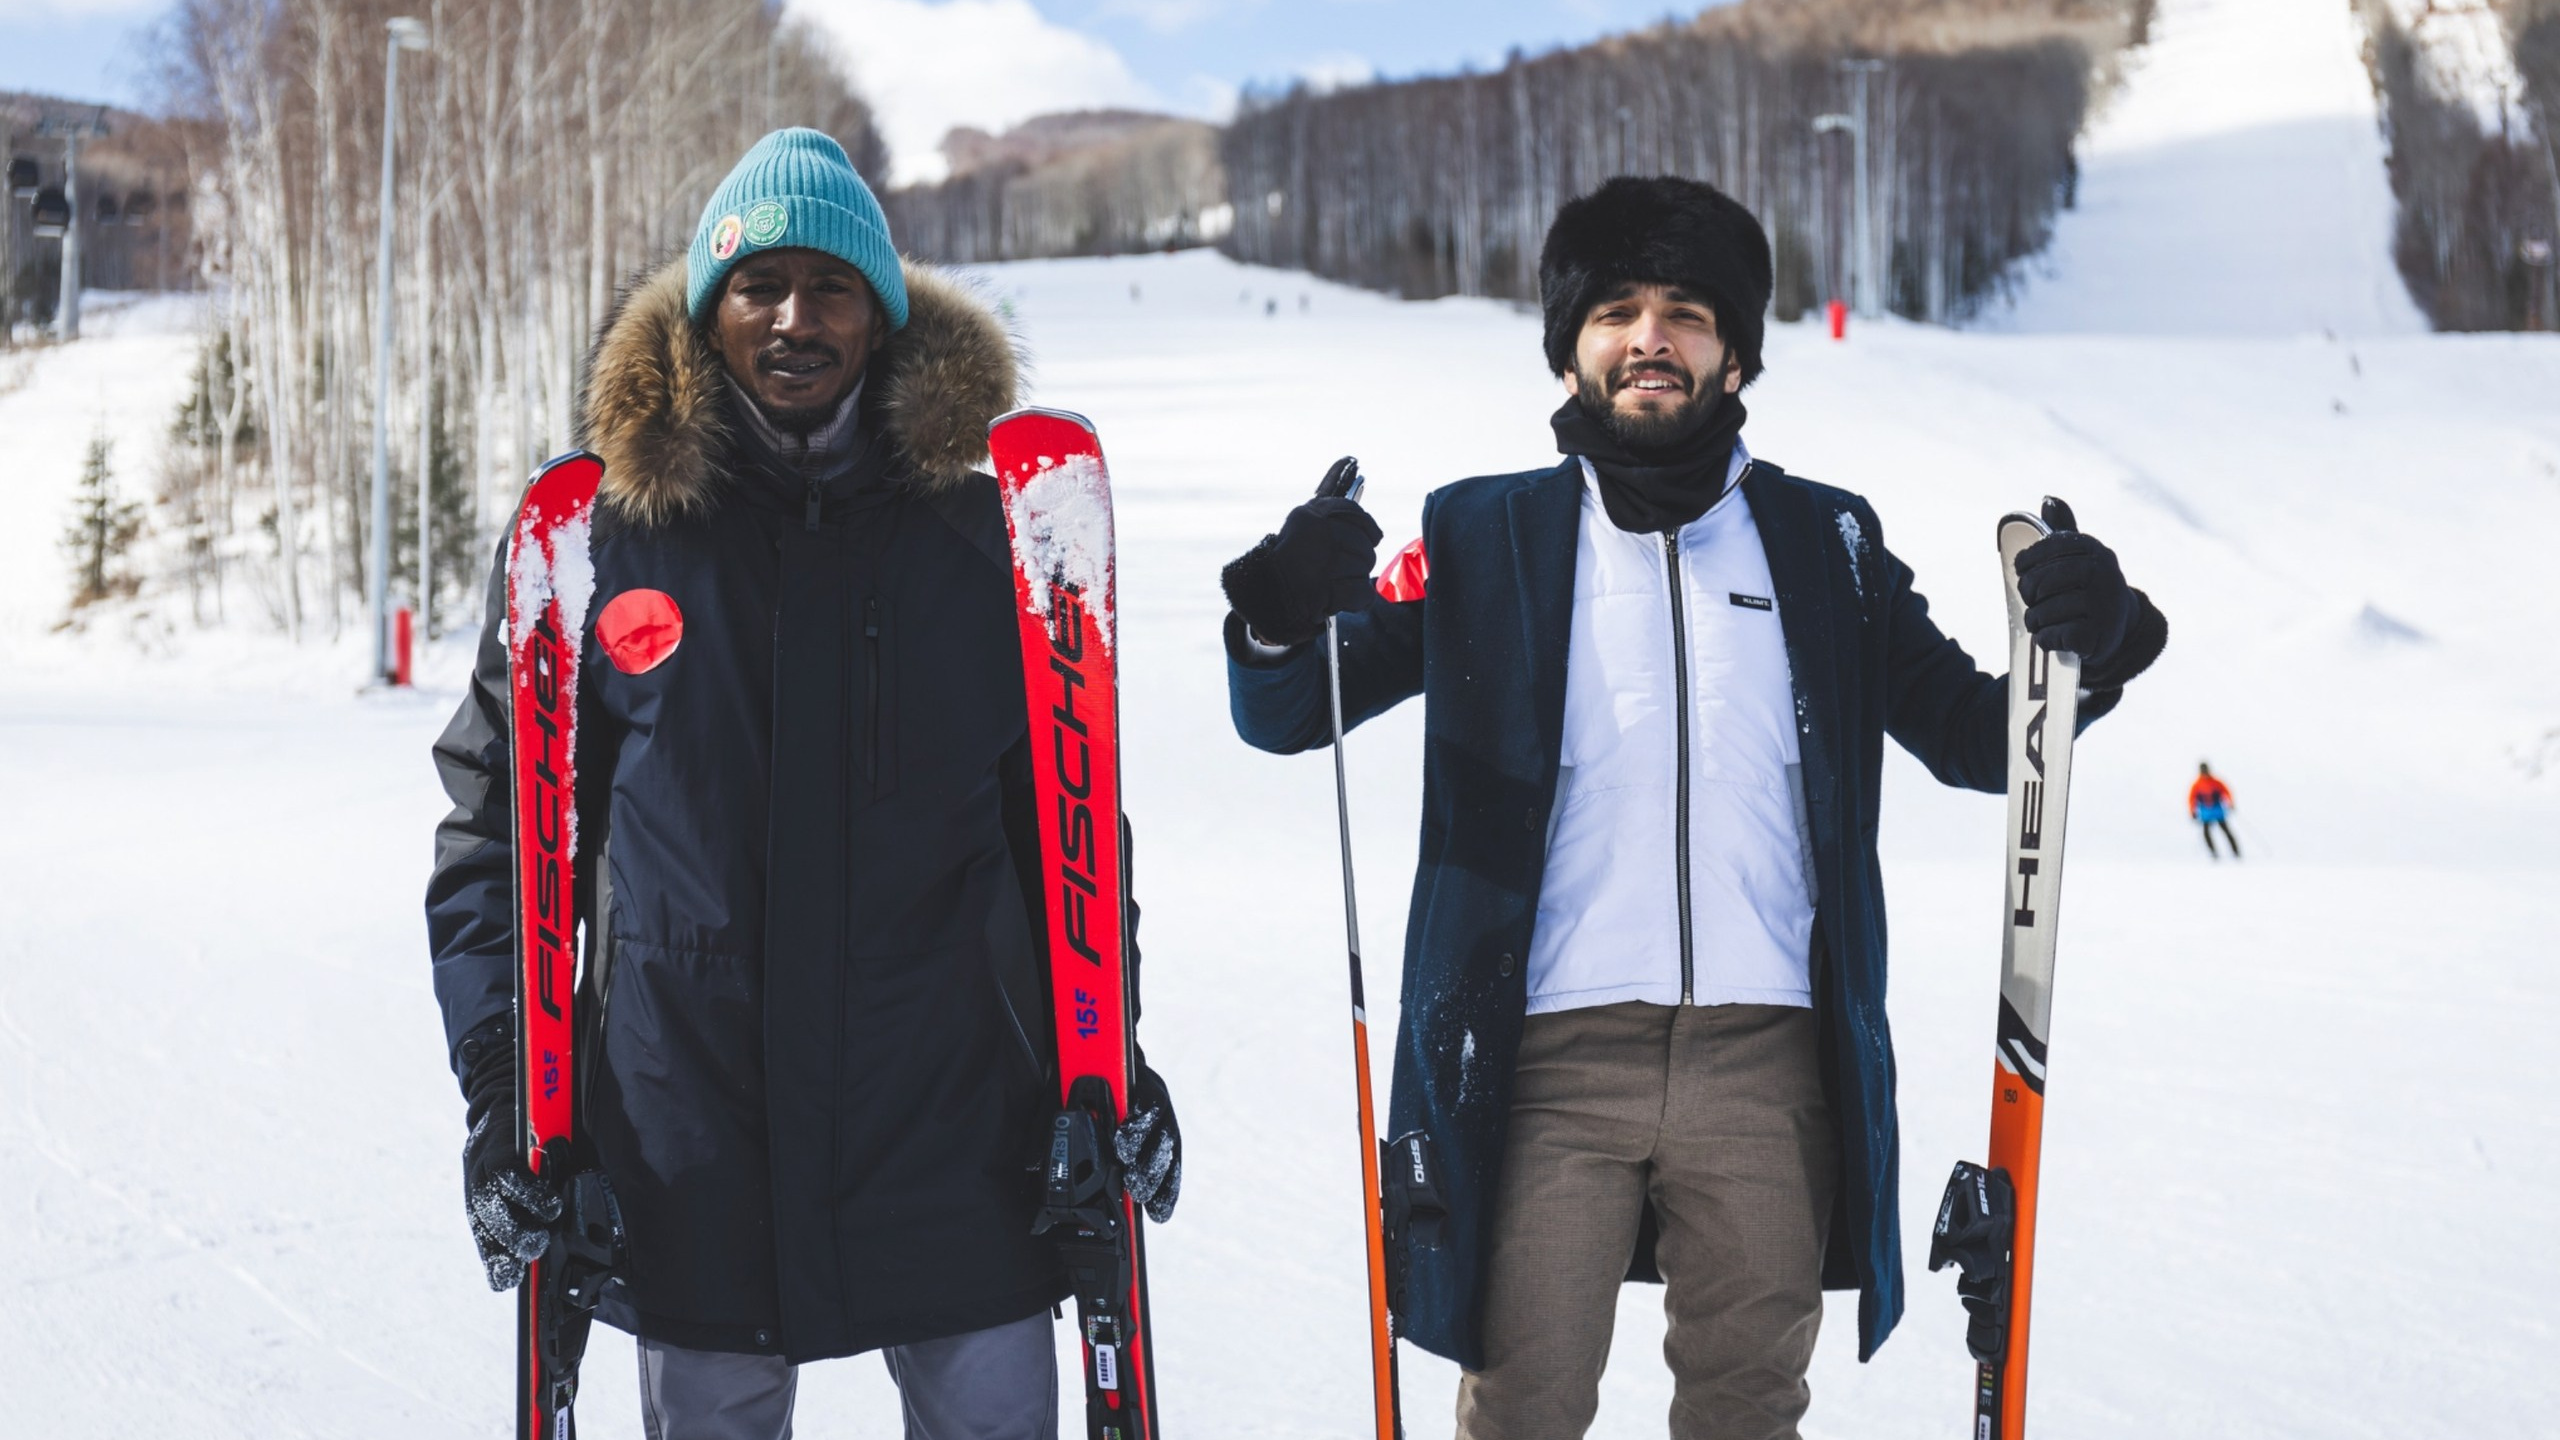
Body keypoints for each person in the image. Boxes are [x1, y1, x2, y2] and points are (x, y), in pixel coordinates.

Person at [1218, 176, 2167, 1440]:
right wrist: (1281, 614)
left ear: (1736, 357)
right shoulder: (1484, 533)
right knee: (1521, 1402)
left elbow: (1977, 738)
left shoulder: (1824, 542)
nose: (1648, 337)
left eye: (1685, 312)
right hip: (1546, 1055)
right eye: (1614, 311)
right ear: (1569, 349)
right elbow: (1291, 713)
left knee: (1748, 1409)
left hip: (1766, 1062)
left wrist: (2090, 648)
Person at [424, 129, 1179, 1440]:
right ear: (709, 309)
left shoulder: (980, 535)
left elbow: (1067, 834)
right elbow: (499, 831)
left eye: (830, 286)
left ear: (881, 315)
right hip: (688, 1132)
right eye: (758, 285)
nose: (792, 317)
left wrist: (1111, 1062)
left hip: (952, 1131)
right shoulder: (599, 535)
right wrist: (503, 1086)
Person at [2190, 761, 2240, 859]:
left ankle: (2235, 851)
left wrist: (2230, 802)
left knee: (2226, 831)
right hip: (2206, 813)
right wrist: (2192, 810)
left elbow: (2226, 791)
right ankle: (2213, 852)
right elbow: (2191, 798)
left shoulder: (2216, 782)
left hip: (2217, 811)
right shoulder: (2197, 785)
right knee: (2206, 833)